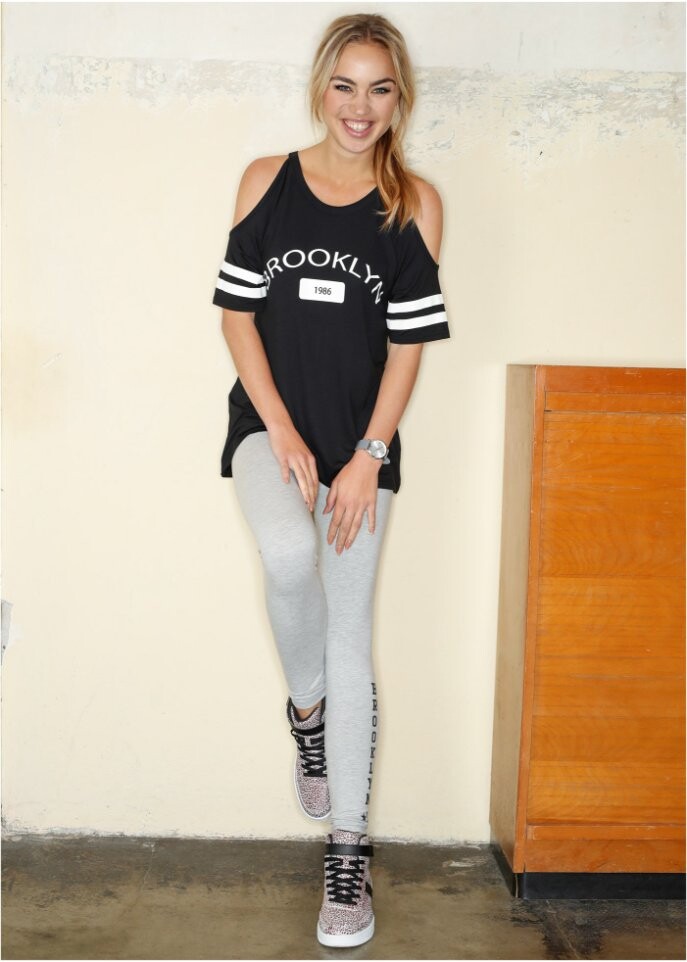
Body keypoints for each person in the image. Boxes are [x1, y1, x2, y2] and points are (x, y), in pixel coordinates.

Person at [212, 12, 450, 948]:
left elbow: (408, 344)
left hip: (362, 450)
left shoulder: (413, 203)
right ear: (321, 88)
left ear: (399, 100)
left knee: (351, 634)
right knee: (284, 554)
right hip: (268, 430)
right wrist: (279, 428)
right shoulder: (265, 181)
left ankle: (347, 855)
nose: (360, 106)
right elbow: (237, 317)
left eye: (379, 88)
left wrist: (367, 456)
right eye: (345, 85)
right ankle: (304, 711)